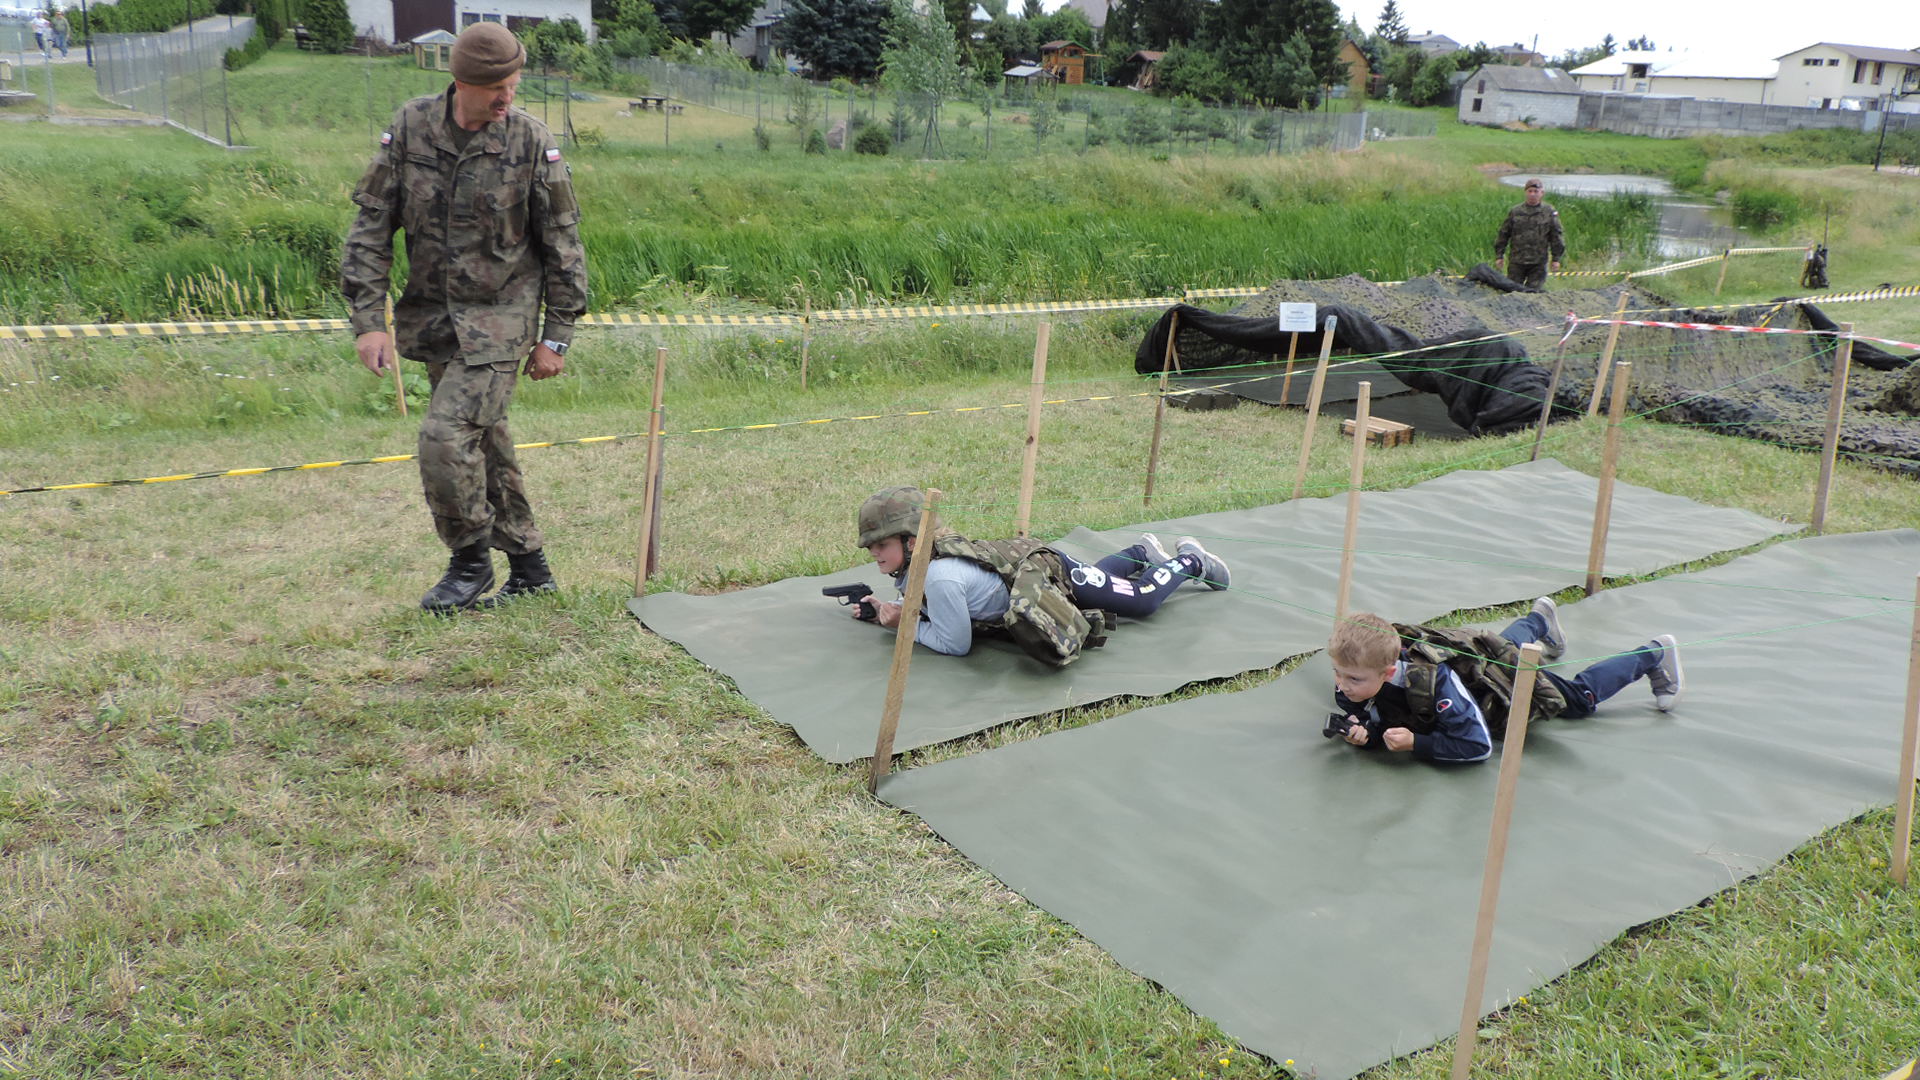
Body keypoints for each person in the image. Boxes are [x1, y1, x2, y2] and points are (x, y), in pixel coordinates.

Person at [341, 21, 588, 613]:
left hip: (503, 319)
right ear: (461, 82)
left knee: (445, 438)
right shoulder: (411, 127)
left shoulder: (529, 140)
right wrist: (368, 320)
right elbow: (371, 227)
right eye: (497, 88)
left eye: (513, 83)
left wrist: (557, 336)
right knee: (485, 442)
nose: (508, 97)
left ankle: (470, 563)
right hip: (436, 320)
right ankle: (530, 570)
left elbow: (562, 242)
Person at [850, 485, 1232, 665]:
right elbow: (923, 605)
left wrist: (904, 626)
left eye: (882, 544)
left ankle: (1191, 560)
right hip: (1035, 582)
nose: (873, 552)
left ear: (913, 541)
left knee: (1141, 600)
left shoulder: (939, 576)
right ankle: (1141, 553)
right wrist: (885, 608)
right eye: (871, 546)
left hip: (1050, 576)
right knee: (1096, 584)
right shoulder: (922, 566)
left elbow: (955, 643)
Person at [1324, 599, 1682, 764]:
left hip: (1493, 688)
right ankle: (1539, 620)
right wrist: (1364, 732)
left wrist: (1419, 743)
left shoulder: (1436, 682)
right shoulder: (1360, 672)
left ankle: (1654, 653)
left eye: (1352, 678)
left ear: (1388, 673)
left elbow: (1477, 745)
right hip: (1482, 658)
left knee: (1578, 699)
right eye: (1337, 673)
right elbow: (1371, 712)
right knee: (1502, 647)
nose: (1342, 685)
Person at [1493, 178, 1565, 290]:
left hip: (1538, 263)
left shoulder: (1549, 212)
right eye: (1530, 191)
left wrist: (1556, 259)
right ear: (1525, 192)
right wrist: (1499, 256)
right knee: (1512, 292)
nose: (1532, 194)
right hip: (1517, 261)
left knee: (1533, 293)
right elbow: (1504, 234)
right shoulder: (1515, 212)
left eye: (1536, 191)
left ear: (1542, 193)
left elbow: (1556, 236)